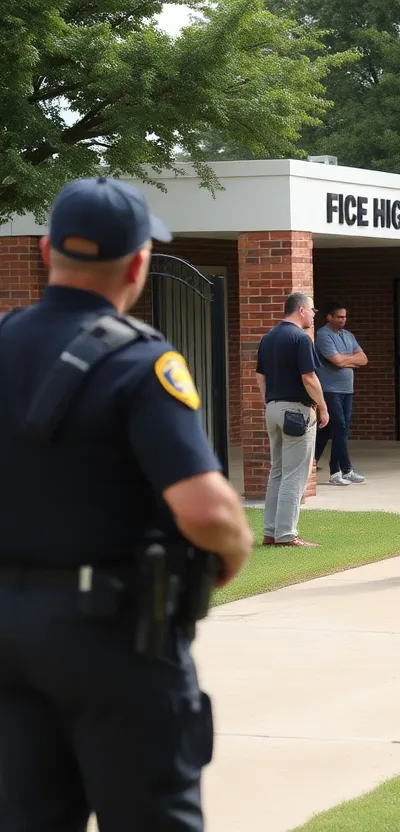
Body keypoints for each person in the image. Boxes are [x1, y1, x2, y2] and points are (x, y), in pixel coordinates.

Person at [0, 176, 253, 830]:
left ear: (47, 249)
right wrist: (232, 547)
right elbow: (206, 510)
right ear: (138, 262)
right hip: (113, 636)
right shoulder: (140, 361)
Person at [256, 292, 330, 547]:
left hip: (273, 409)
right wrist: (322, 407)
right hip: (297, 411)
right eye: (312, 310)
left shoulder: (268, 338)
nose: (313, 315)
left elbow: (260, 376)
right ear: (301, 310)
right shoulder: (300, 338)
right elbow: (309, 377)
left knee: (277, 471)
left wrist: (270, 402)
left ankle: (270, 531)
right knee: (294, 475)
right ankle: (287, 535)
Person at [314, 302, 369, 485]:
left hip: (347, 389)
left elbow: (364, 359)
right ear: (329, 317)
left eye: (345, 316)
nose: (343, 320)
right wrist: (348, 361)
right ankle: (340, 471)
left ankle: (311, 464)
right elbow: (336, 361)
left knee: (327, 430)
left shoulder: (348, 335)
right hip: (330, 390)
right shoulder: (323, 335)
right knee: (340, 429)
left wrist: (346, 360)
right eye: (339, 317)